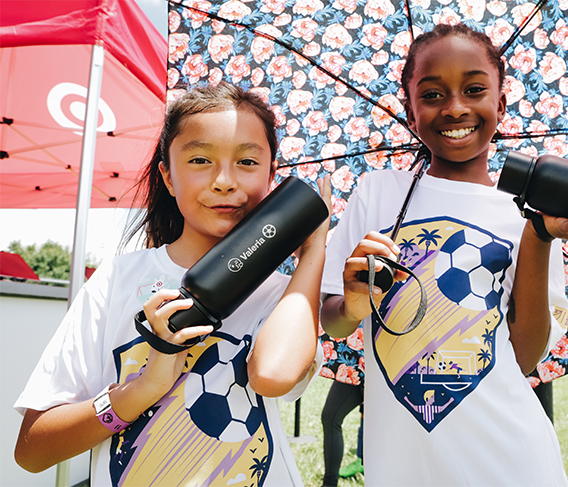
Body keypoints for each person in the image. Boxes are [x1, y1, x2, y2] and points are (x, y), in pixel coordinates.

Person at [320, 23, 568, 486]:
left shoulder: (530, 212)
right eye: (432, 94)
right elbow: (333, 320)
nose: (456, 108)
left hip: (509, 461)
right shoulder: (377, 194)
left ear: (500, 103)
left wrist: (538, 235)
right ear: (410, 110)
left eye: (474, 89)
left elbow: (525, 357)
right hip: (400, 466)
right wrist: (353, 301)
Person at [14, 84, 331, 486]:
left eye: (248, 162)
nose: (224, 181)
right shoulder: (117, 281)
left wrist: (314, 249)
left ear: (273, 176)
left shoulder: (289, 295)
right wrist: (144, 388)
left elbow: (272, 374)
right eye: (200, 159)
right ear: (167, 174)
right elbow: (32, 450)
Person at [321, 380, 364, 487]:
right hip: (356, 366)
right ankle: (329, 484)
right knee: (330, 418)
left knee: (375, 424)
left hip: (383, 372)